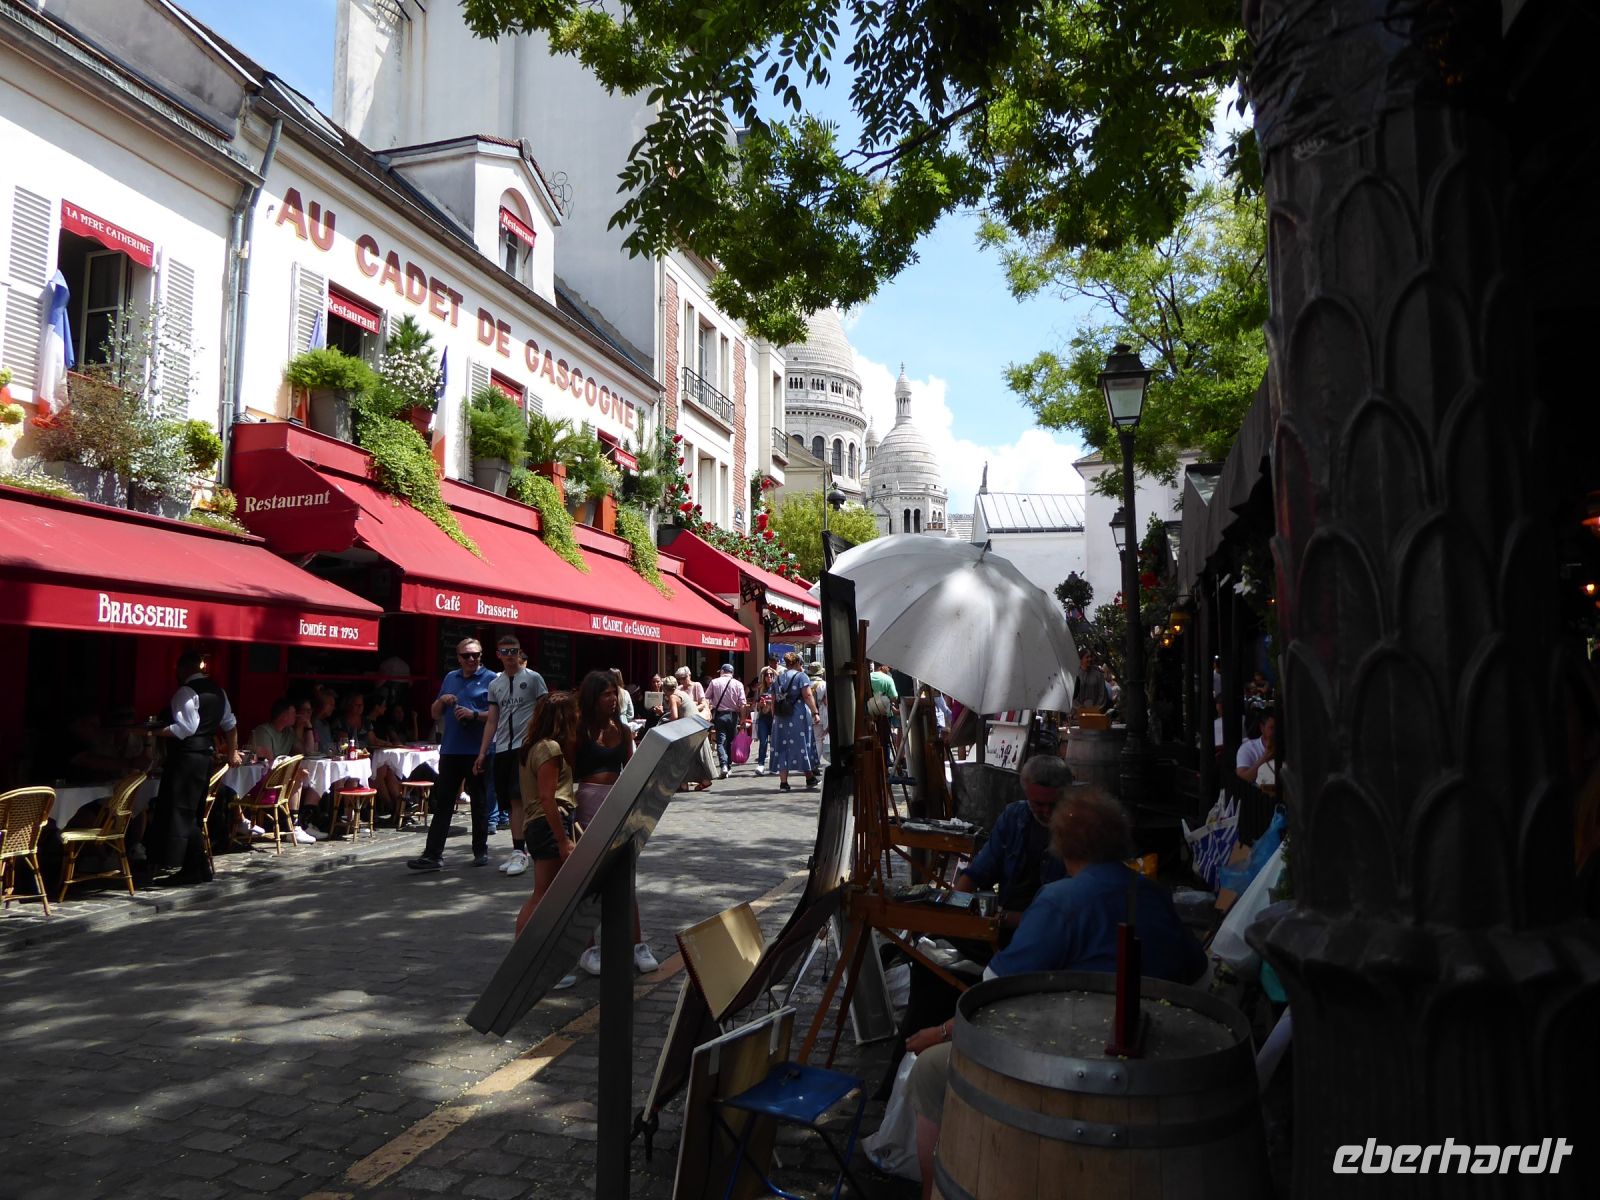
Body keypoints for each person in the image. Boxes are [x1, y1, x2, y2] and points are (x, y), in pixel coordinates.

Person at [904, 786, 1206, 1197]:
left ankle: (933, 1191)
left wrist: (938, 1034)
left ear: (1061, 844)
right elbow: (1197, 972)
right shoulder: (1151, 893)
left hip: (1078, 1067)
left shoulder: (1062, 900)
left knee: (930, 1070)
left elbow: (991, 993)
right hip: (1155, 1058)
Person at [570, 670, 659, 978]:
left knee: (624, 879)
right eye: (606, 694)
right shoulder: (578, 731)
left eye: (614, 694)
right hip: (586, 806)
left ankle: (636, 944)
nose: (612, 699)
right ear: (592, 697)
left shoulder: (622, 730)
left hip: (617, 806)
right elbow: (566, 772)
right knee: (589, 883)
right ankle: (588, 948)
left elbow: (631, 769)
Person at [148, 649, 240, 884]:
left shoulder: (185, 692)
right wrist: (232, 752)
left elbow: (185, 728)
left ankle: (191, 868)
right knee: (193, 813)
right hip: (205, 758)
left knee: (181, 812)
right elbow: (230, 725)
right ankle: (199, 867)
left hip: (186, 758)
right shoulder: (219, 692)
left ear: (181, 669)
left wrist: (153, 731)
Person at [408, 638, 494, 871]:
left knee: (479, 801)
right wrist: (442, 700)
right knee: (444, 802)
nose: (471, 659)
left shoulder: (492, 679)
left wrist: (473, 714)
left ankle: (480, 849)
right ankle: (433, 854)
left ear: (481, 655)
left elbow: (499, 715)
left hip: (477, 751)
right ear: (458, 658)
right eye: (466, 655)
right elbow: (434, 713)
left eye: (475, 655)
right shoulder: (450, 678)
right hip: (451, 749)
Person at [476, 635, 548, 878]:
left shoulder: (533, 678)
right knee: (511, 801)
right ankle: (520, 850)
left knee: (522, 800)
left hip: (526, 746)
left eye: (513, 651)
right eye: (504, 651)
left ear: (520, 652)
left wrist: (540, 743)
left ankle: (525, 850)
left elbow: (544, 712)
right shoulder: (495, 685)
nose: (509, 655)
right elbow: (492, 720)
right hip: (503, 748)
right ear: (497, 654)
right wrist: (483, 752)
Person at [512, 691, 581, 938]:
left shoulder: (533, 745)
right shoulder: (549, 749)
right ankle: (525, 954)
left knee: (546, 892)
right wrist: (562, 839)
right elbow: (546, 797)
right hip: (547, 823)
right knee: (544, 894)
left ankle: (530, 954)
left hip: (540, 824)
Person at [769, 651, 821, 793]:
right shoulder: (801, 676)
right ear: (798, 663)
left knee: (782, 747)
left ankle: (784, 782)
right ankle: (809, 777)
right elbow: (807, 695)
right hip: (798, 715)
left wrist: (775, 716)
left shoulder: (778, 678)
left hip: (781, 717)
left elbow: (773, 700)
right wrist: (815, 712)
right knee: (802, 744)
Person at [704, 663, 746, 779]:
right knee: (731, 741)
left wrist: (708, 711)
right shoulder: (738, 684)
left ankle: (723, 765)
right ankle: (728, 765)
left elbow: (706, 698)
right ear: (732, 673)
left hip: (719, 715)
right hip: (733, 716)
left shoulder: (714, 682)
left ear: (722, 671)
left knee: (721, 741)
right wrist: (742, 719)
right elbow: (742, 703)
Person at [751, 655, 779, 775]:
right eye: (767, 675)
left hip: (774, 718)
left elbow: (781, 701)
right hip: (763, 718)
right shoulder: (760, 689)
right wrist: (761, 704)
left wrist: (772, 702)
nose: (769, 677)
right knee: (763, 742)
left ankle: (774, 765)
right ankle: (761, 765)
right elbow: (755, 706)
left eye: (771, 675)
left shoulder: (777, 688)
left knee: (774, 743)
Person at [1237, 711, 1276, 784]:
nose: (1276, 732)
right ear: (1262, 728)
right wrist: (1265, 758)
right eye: (1272, 728)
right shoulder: (1248, 748)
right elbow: (1242, 778)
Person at [807, 662, 829, 761]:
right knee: (819, 739)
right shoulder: (824, 685)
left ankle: (807, 761)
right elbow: (827, 702)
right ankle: (816, 761)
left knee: (807, 739)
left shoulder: (805, 683)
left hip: (805, 714)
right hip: (819, 715)